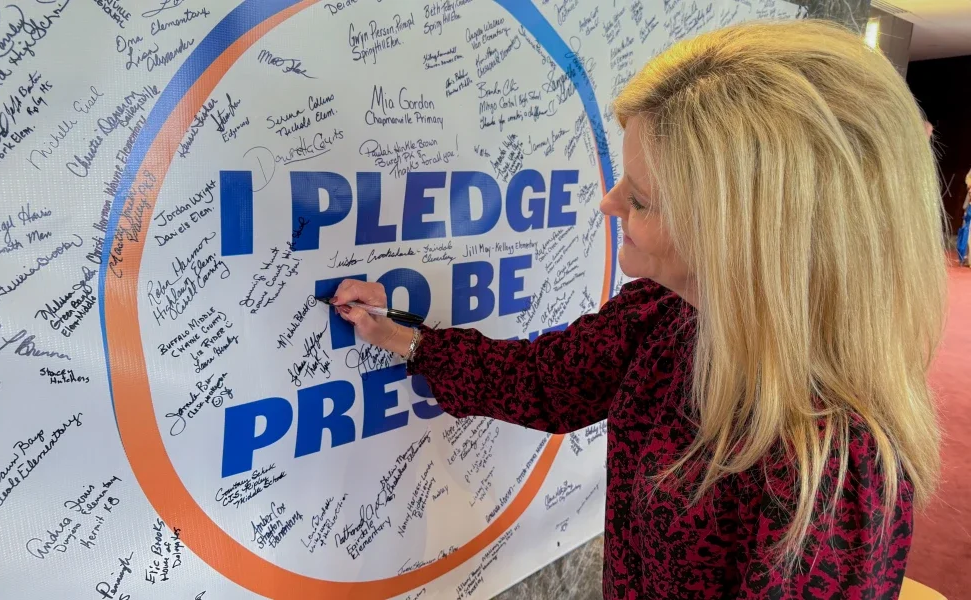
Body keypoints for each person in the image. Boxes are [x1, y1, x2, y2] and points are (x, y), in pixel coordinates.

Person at [332, 19, 946, 599]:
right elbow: (547, 383)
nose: (608, 203)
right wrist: (401, 336)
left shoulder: (828, 461)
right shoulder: (662, 313)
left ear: (750, 240)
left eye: (643, 199)